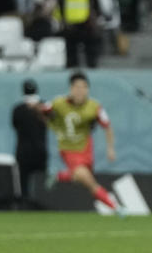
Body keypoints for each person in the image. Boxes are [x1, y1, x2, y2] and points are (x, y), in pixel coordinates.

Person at [38, 71, 122, 213]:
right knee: (87, 180)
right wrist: (52, 124)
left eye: (83, 88)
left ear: (88, 89)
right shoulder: (58, 103)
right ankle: (117, 208)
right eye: (77, 87)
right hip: (68, 150)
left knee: (81, 177)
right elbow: (43, 110)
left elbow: (107, 126)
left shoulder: (94, 107)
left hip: (86, 149)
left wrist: (110, 148)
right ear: (71, 89)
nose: (80, 91)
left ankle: (60, 176)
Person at [11, 78, 48, 206]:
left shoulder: (19, 109)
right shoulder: (43, 107)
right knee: (33, 180)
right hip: (36, 150)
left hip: (26, 150)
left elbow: (14, 125)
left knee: (29, 180)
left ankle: (27, 203)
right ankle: (35, 203)